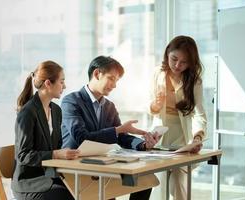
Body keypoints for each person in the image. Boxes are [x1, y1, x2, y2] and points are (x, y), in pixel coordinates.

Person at [61, 55, 159, 200]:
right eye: (111, 78)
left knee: (145, 178)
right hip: (75, 166)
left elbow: (121, 137)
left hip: (101, 165)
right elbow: (82, 137)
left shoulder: (109, 106)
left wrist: (143, 143)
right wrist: (119, 129)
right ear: (96, 74)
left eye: (117, 81)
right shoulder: (71, 101)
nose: (114, 85)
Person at [147, 35, 207, 200]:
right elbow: (150, 107)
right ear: (167, 53)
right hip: (159, 134)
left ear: (191, 62)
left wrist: (198, 137)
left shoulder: (194, 80)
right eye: (174, 59)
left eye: (184, 62)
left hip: (182, 135)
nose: (177, 65)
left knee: (179, 182)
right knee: (160, 185)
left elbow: (198, 112)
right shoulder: (157, 73)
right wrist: (156, 105)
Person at [12, 61, 79, 200]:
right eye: (61, 82)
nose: (64, 86)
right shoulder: (28, 112)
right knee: (70, 195)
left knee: (84, 188)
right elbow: (23, 155)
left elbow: (57, 146)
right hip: (29, 183)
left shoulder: (56, 111)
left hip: (50, 176)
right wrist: (55, 154)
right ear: (48, 83)